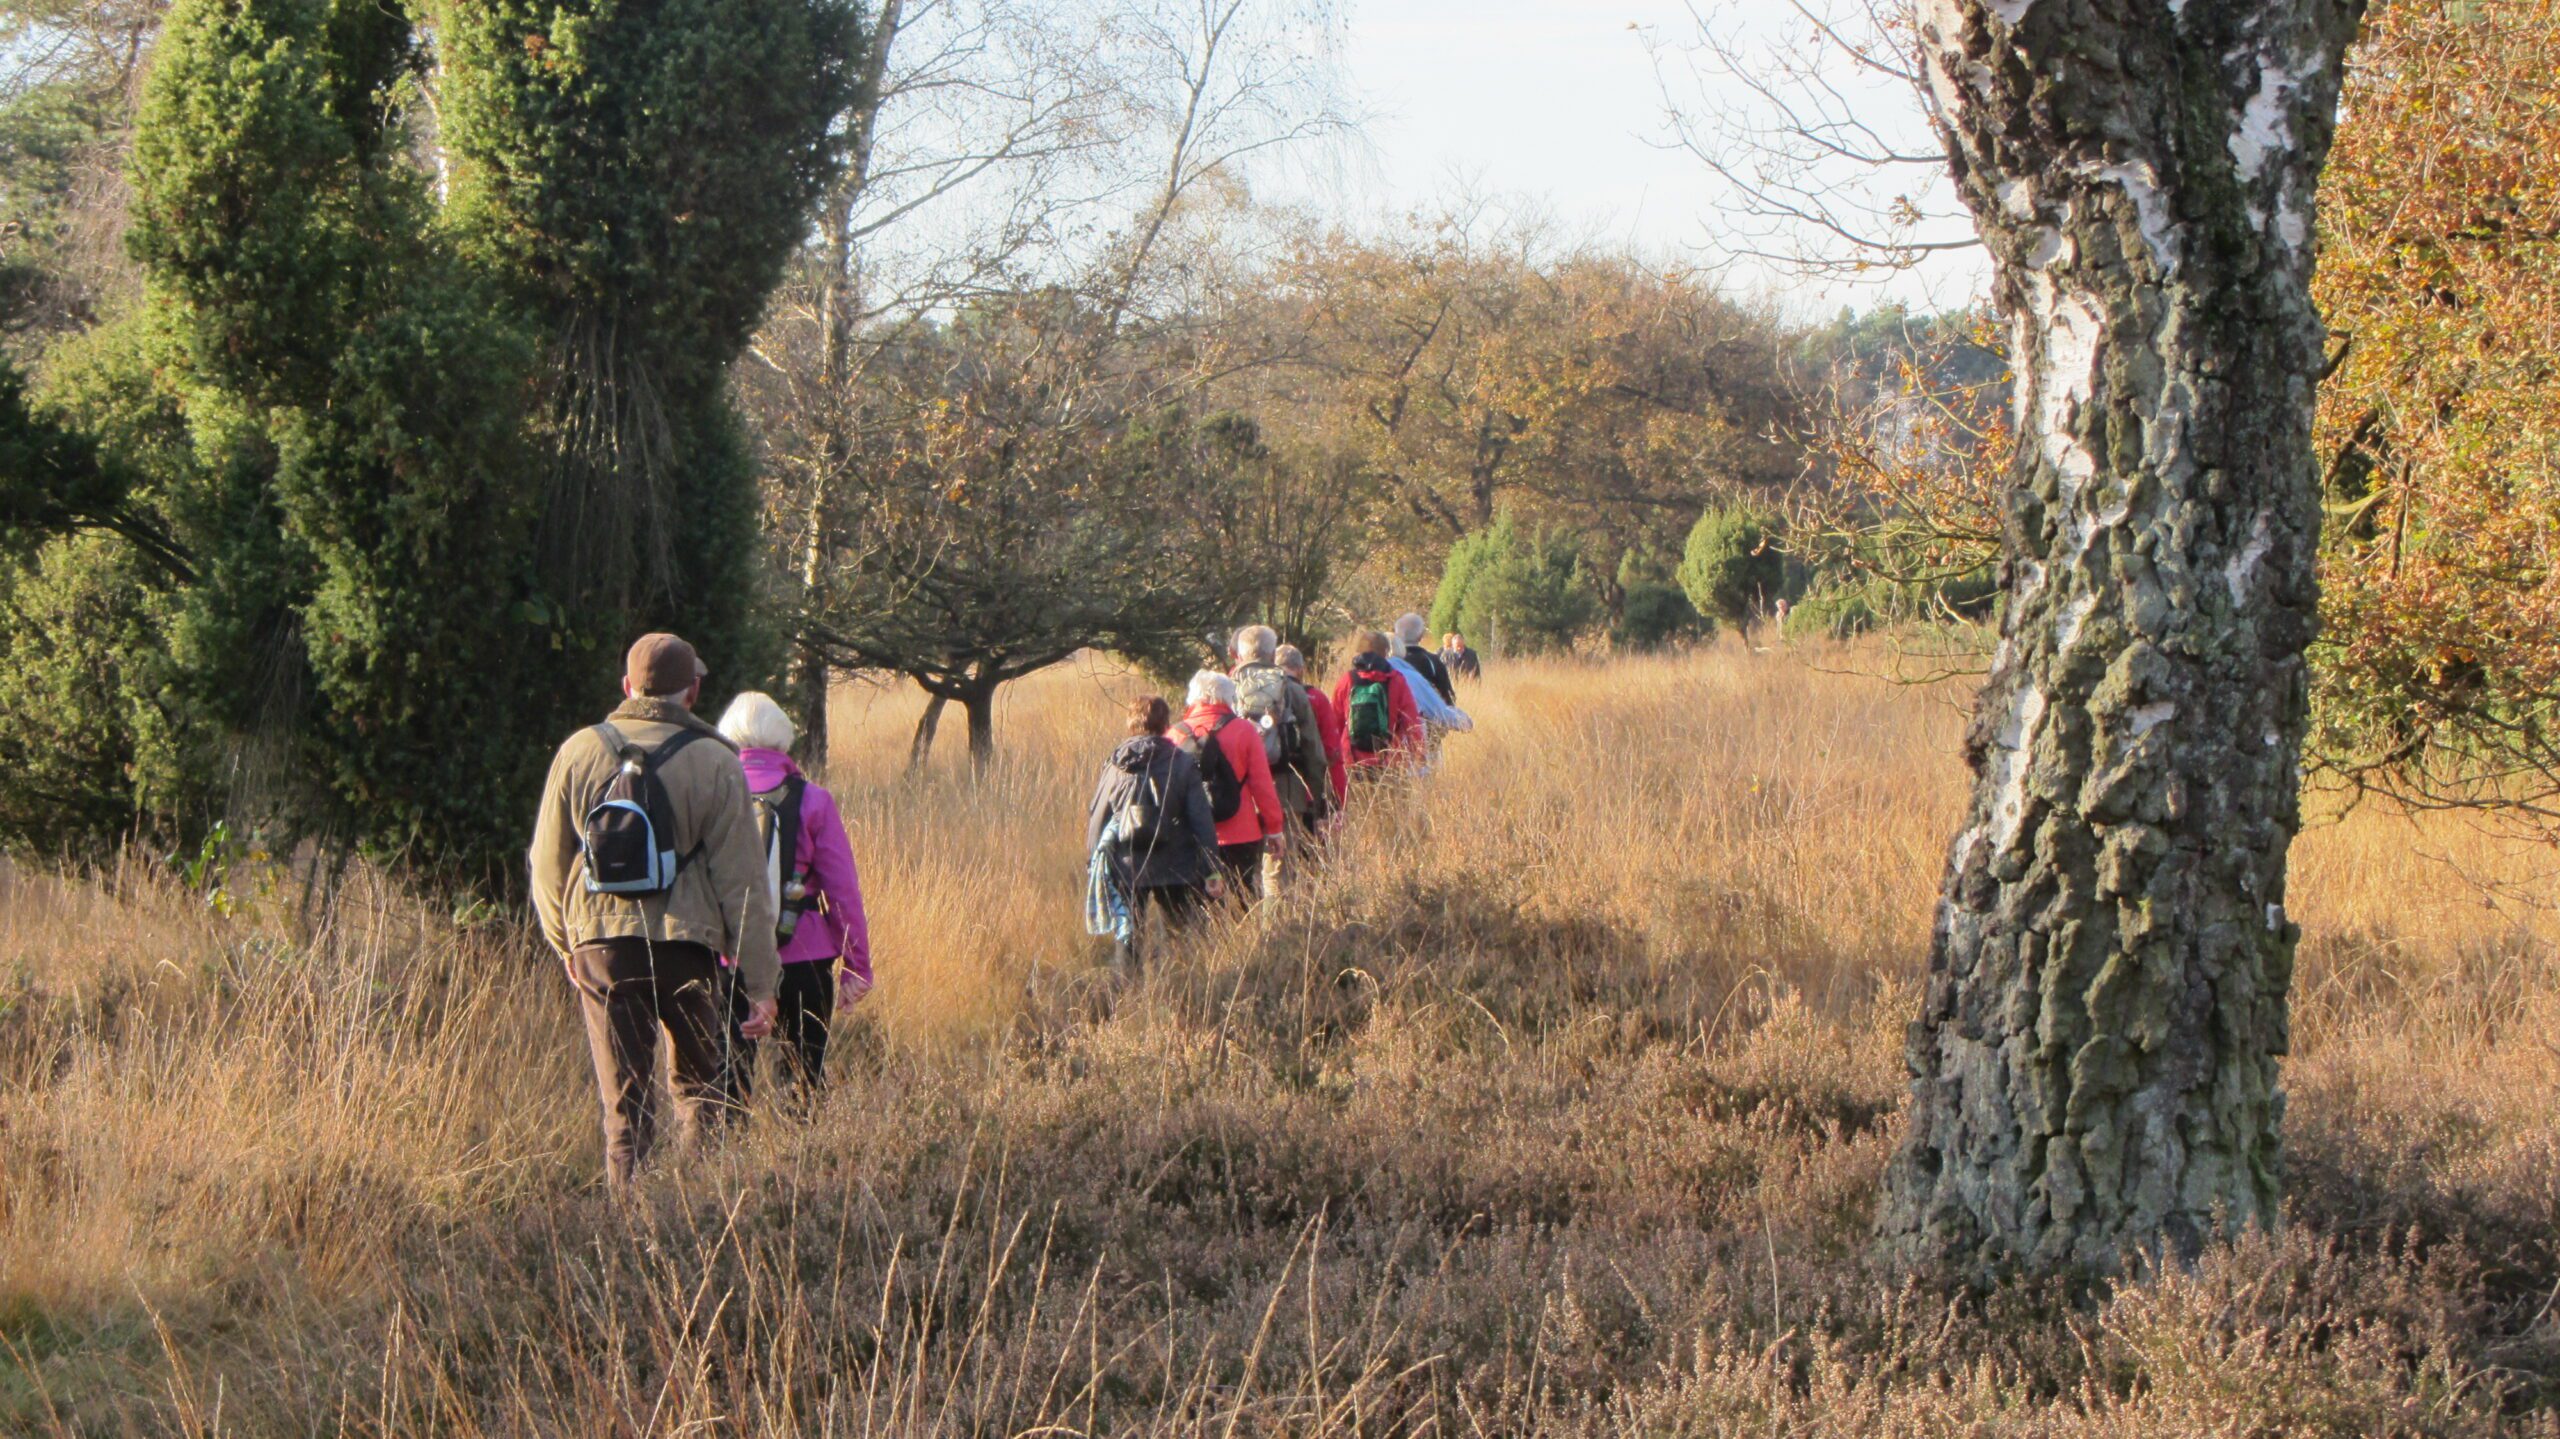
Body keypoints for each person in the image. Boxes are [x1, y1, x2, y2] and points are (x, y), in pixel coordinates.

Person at [530, 633, 778, 1186]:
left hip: (602, 949)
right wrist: (761, 981)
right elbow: (743, 882)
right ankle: (698, 1220)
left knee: (626, 1106)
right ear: (691, 691)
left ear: (627, 687)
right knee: (701, 1093)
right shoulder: (717, 761)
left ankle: (630, 1237)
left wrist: (566, 942)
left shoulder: (578, 751)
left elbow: (546, 864)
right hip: (686, 950)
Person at [715, 691, 871, 1102]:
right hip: (804, 954)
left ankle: (724, 1165)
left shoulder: (711, 795)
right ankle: (801, 1160)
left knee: (725, 1087)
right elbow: (843, 892)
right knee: (803, 1082)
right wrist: (858, 966)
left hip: (725, 957)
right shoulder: (814, 800)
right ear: (784, 741)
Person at [1085, 695, 1225, 970]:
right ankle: (1183, 995)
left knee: (1128, 938)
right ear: (1165, 724)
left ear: (1131, 724)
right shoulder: (1182, 762)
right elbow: (1201, 820)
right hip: (1177, 865)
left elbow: (1097, 815)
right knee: (1181, 937)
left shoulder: (1115, 765)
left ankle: (1128, 1001)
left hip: (1127, 867)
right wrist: (1212, 869)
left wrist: (1093, 863)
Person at [1229, 624, 1330, 886]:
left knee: (1239, 875)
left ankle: (1242, 926)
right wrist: (1318, 801)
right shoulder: (1291, 690)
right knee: (1279, 873)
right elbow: (1313, 749)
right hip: (1286, 791)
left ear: (1239, 655)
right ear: (1273, 654)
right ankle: (1277, 926)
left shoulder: (1224, 690)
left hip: (1235, 797)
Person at [1171, 669, 1285, 898]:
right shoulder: (1245, 730)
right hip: (1241, 834)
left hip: (1190, 836)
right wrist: (1274, 830)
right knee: (1242, 903)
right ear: (1229, 697)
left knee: (1199, 909)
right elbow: (1263, 786)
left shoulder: (1174, 735)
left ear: (1193, 697)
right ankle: (1246, 935)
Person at [1331, 630, 1425, 775]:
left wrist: (1332, 756)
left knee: (1355, 798)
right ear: (1386, 652)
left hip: (1352, 760)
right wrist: (1419, 753)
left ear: (1358, 651)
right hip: (1389, 760)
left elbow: (1334, 723)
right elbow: (1412, 722)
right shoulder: (1396, 680)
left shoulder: (1347, 680)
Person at [1280, 644, 1347, 815]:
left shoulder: (1263, 698)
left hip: (1271, 784)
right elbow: (1331, 750)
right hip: (1308, 785)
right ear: (1300, 669)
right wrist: (1338, 798)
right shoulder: (1315, 697)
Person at [1394, 613, 1457, 706]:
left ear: (1397, 635)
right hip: (1428, 717)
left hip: (1395, 717)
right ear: (1421, 635)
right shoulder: (1433, 661)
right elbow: (1448, 696)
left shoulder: (1389, 663)